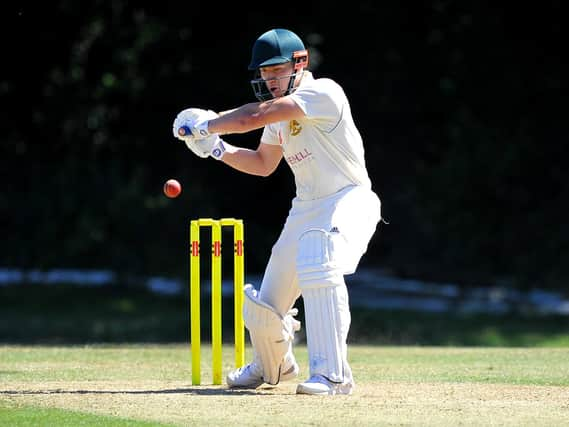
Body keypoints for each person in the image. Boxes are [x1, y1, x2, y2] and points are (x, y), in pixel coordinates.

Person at [172, 28, 382, 395]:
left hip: (349, 199)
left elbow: (253, 116)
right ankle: (274, 365)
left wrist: (206, 123)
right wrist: (216, 149)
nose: (269, 80)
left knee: (320, 255)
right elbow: (262, 163)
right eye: (264, 74)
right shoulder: (278, 116)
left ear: (299, 63)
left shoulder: (322, 92)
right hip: (306, 209)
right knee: (264, 308)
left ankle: (333, 375)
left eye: (275, 71)